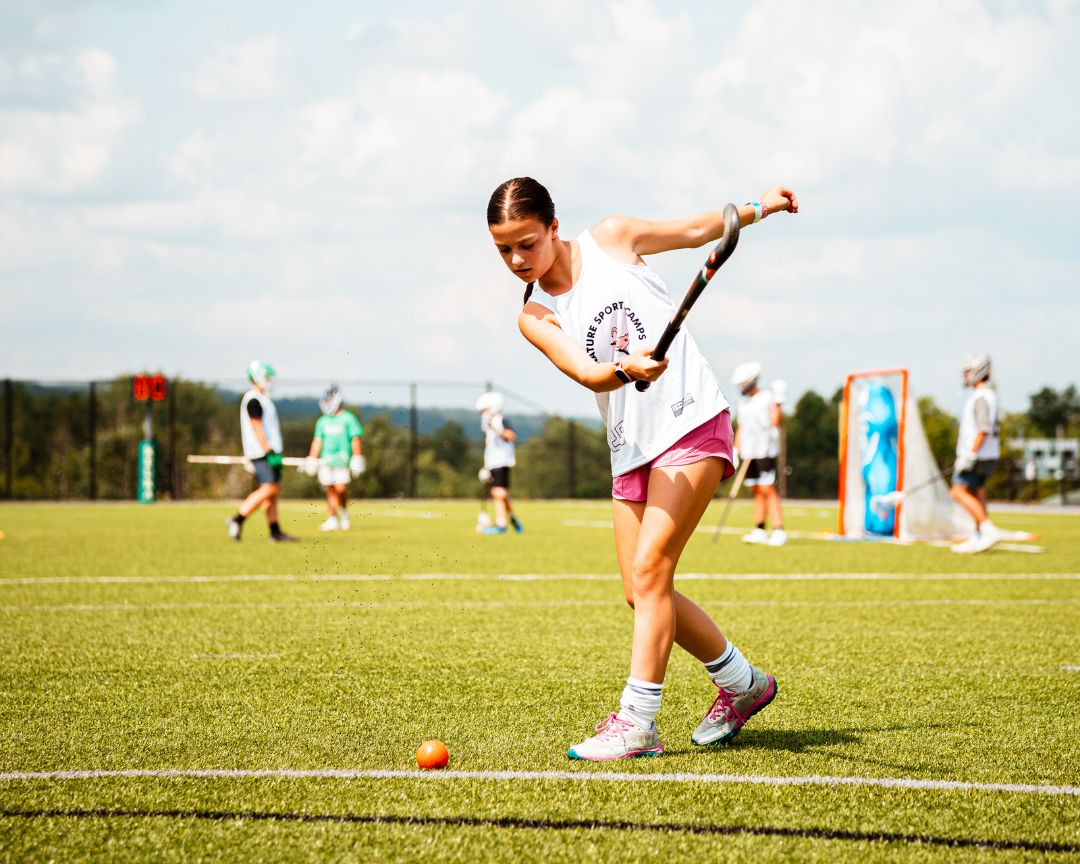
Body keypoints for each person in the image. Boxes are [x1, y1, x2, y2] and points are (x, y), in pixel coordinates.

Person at [488, 176, 798, 760]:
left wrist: (758, 208)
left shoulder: (612, 237)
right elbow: (585, 370)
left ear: (554, 227)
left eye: (526, 243)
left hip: (691, 420)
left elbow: (691, 232)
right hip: (631, 445)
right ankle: (743, 684)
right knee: (639, 589)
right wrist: (627, 368)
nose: (516, 259)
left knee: (653, 567)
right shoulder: (535, 314)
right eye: (503, 249)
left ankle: (637, 722)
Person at [227, 361, 296, 542]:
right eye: (266, 376)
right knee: (268, 488)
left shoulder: (264, 399)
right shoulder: (253, 399)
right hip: (262, 454)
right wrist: (268, 451)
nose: (269, 380)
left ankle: (275, 531)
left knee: (273, 491)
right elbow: (257, 427)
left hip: (269, 452)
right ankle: (237, 519)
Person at [730, 362, 787, 547]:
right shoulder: (744, 402)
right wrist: (736, 450)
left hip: (764, 451)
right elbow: (742, 428)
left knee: (768, 489)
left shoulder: (767, 397)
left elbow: (776, 422)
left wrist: (779, 402)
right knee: (756, 490)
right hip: (748, 453)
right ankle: (760, 529)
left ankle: (778, 530)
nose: (740, 387)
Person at [950, 354, 1001, 554]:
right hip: (985, 455)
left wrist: (970, 454)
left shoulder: (981, 397)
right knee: (976, 492)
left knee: (958, 491)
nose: (965, 376)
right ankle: (978, 535)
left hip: (977, 455)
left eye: (968, 372)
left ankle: (987, 529)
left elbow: (983, 429)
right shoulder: (989, 395)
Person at [303, 385, 365, 531]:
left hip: (341, 462)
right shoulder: (322, 421)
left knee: (340, 488)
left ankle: (344, 513)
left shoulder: (348, 418)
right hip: (326, 461)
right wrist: (312, 458)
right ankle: (332, 518)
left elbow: (355, 439)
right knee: (330, 489)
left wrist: (357, 458)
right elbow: (317, 441)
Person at [476, 391, 523, 535]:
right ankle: (513, 517)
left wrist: (498, 431)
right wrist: (485, 467)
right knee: (501, 493)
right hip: (492, 463)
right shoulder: (488, 425)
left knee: (498, 492)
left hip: (502, 462)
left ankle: (501, 525)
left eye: (485, 410)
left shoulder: (501, 420)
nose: (483, 413)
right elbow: (488, 446)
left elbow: (511, 435)